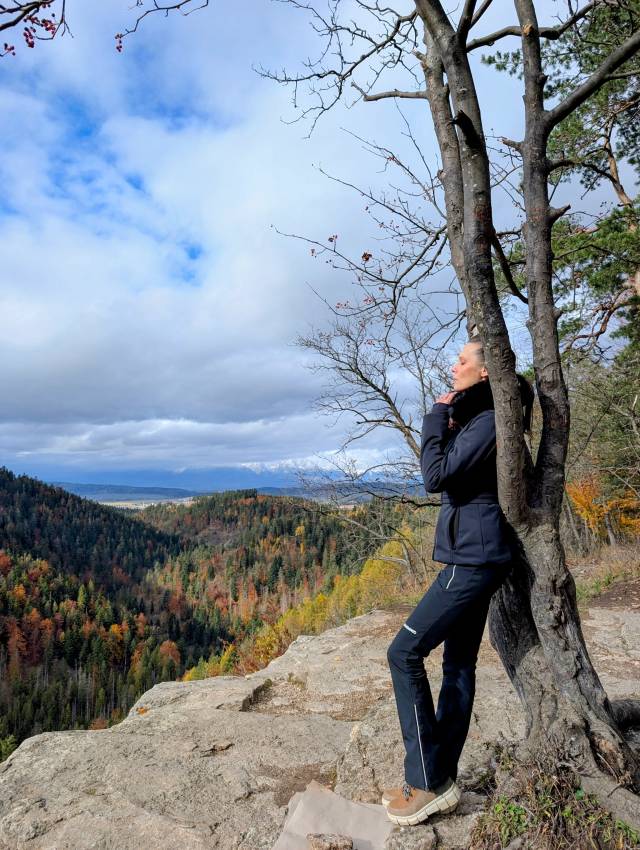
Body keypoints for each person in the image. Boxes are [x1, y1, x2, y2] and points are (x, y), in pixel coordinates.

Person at [383, 339, 534, 827]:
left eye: (463, 360)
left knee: (403, 652)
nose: (454, 367)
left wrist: (435, 417)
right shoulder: (481, 420)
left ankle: (425, 781)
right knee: (458, 663)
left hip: (473, 560)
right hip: (474, 554)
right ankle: (440, 779)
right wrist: (450, 423)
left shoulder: (488, 421)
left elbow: (435, 476)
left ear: (486, 373)